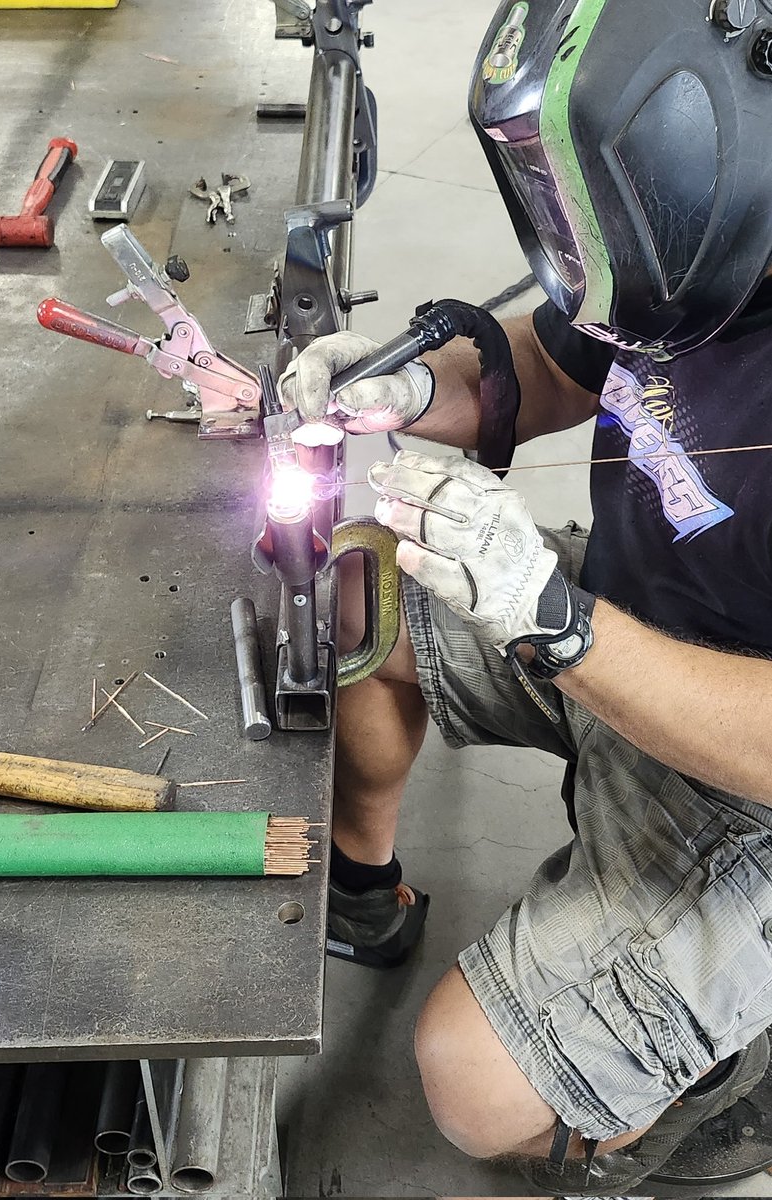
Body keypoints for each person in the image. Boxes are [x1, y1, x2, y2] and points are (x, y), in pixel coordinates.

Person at [280, 0, 772, 1191]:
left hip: (741, 780)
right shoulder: (689, 241)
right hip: (618, 621)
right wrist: (418, 385)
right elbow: (560, 357)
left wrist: (549, 619)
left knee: (467, 1081)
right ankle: (366, 892)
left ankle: (713, 1091)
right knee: (362, 587)